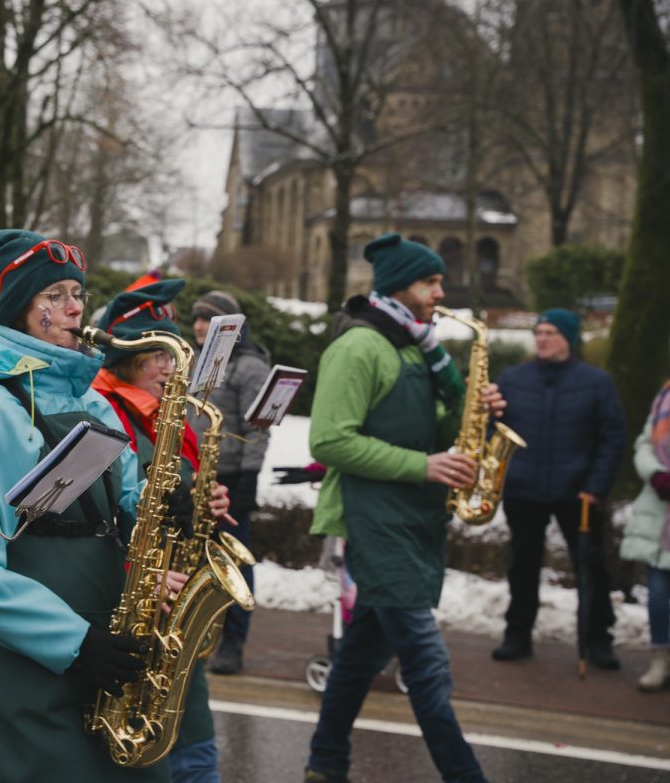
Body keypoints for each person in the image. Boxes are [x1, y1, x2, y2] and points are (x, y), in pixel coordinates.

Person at [0, 229, 168, 783]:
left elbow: (124, 503)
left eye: (77, 293)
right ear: (18, 308)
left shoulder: (93, 402)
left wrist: (164, 507)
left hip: (99, 656)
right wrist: (75, 643)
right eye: (55, 295)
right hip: (23, 671)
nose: (75, 307)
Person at [304, 232, 501, 783]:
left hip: (412, 520)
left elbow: (438, 433)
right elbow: (328, 441)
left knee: (360, 658)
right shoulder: (360, 347)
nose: (441, 291)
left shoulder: (416, 347)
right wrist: (425, 466)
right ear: (398, 287)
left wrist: (472, 410)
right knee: (428, 668)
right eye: (430, 281)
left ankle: (325, 762)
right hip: (375, 523)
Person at [91, 279, 233, 783]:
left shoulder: (171, 416)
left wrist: (206, 504)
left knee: (192, 742)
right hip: (138, 599)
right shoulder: (105, 412)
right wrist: (141, 579)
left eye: (173, 357)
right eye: (157, 357)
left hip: (171, 597)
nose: (171, 369)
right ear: (127, 360)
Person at [489, 308, 626, 668]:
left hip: (578, 493)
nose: (542, 338)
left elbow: (612, 439)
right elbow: (493, 428)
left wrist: (596, 486)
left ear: (568, 338)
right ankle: (517, 635)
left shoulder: (596, 383)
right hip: (524, 490)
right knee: (523, 565)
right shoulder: (513, 379)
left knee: (590, 567)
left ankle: (597, 640)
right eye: (538, 332)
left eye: (550, 332)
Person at [187, 289, 271, 674]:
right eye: (197, 319)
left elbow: (259, 430)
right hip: (196, 474)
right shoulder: (197, 362)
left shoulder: (250, 367)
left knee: (234, 561)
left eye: (209, 319)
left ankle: (233, 641)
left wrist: (249, 478)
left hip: (233, 478)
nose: (200, 326)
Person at [620, 378, 670, 691]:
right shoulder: (665, 395)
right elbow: (644, 443)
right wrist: (656, 474)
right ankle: (660, 659)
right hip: (660, 510)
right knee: (657, 593)